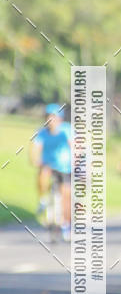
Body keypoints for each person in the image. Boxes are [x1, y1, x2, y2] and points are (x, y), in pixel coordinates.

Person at [30, 103, 71, 240]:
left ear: (59, 119)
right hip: (48, 165)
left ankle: (66, 226)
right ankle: (43, 199)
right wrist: (35, 160)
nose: (50, 121)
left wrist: (76, 159)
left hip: (65, 167)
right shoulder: (41, 133)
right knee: (43, 173)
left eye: (53, 118)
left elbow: (75, 146)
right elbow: (35, 149)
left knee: (66, 194)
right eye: (48, 117)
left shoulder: (67, 130)